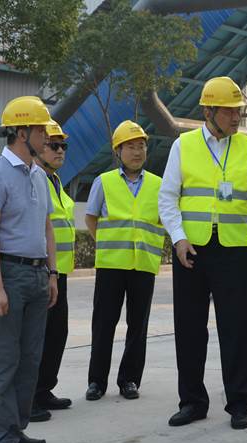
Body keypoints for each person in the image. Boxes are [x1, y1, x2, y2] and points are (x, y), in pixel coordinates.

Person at [158, 76, 247, 430]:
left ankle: (240, 403)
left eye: (238, 110)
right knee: (190, 328)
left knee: (237, 328)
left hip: (235, 249)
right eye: (228, 111)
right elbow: (168, 198)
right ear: (208, 111)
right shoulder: (184, 145)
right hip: (191, 250)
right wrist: (179, 239)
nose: (236, 117)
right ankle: (192, 402)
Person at [0, 96, 58, 443]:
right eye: (41, 130)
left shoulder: (39, 174)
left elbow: (46, 227)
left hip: (38, 274)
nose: (47, 137)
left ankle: (17, 427)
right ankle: (0, 436)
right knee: (5, 359)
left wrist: (52, 273)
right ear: (22, 133)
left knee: (30, 360)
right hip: (8, 274)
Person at [84, 120, 165, 402]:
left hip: (143, 264)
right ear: (118, 151)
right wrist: (105, 243)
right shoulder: (104, 182)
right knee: (103, 324)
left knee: (138, 326)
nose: (137, 152)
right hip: (111, 265)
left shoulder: (158, 185)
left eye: (141, 146)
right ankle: (96, 382)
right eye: (130, 146)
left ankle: (129, 380)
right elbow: (91, 218)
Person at [30, 120, 74, 422]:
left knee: (57, 333)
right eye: (53, 145)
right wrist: (49, 271)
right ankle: (30, 396)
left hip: (60, 271)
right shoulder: (35, 179)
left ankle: (44, 389)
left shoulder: (54, 179)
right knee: (38, 336)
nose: (60, 151)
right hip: (43, 271)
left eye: (63, 146)